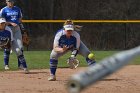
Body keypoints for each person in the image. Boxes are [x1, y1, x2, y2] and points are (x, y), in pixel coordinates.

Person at [0, 0, 29, 73]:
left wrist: (22, 29)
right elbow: (1, 22)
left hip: (17, 29)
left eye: (12, 1)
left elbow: (20, 19)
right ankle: (6, 64)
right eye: (9, 1)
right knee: (7, 46)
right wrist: (10, 23)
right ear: (6, 2)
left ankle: (20, 65)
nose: (10, 2)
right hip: (8, 28)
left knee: (20, 47)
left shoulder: (17, 9)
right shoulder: (3, 10)